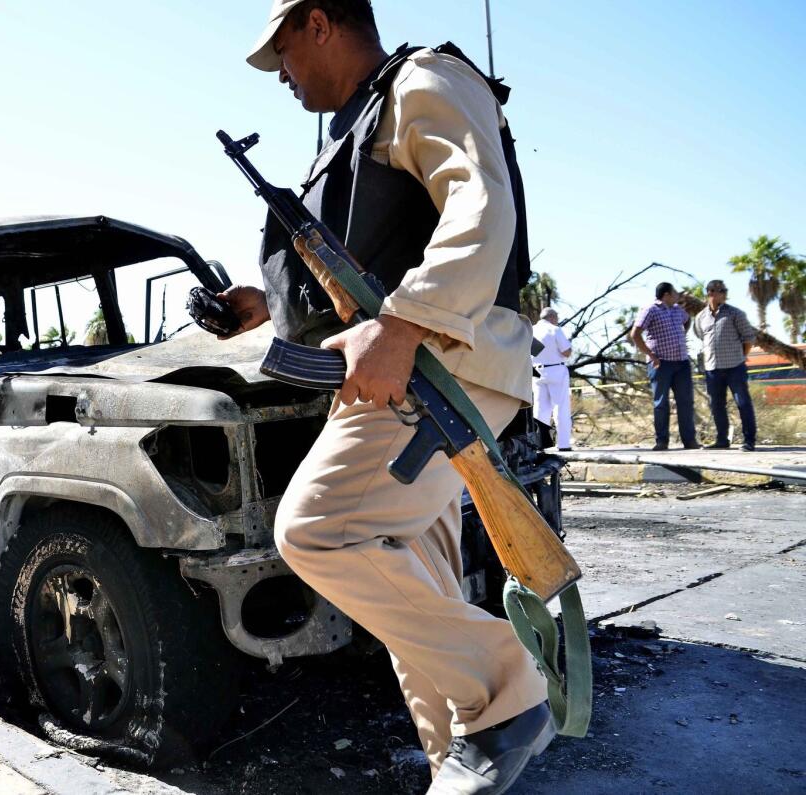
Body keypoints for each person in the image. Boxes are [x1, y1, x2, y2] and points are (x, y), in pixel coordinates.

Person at [221, 2, 552, 789]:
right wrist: (267, 304)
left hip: (441, 363)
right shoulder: (362, 122)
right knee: (413, 590)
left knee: (319, 530)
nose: (285, 80)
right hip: (402, 369)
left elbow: (480, 205)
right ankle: (460, 761)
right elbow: (375, 258)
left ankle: (507, 693)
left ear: (321, 23)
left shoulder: (422, 82)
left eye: (285, 55)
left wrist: (404, 324)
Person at [630, 283, 700, 451]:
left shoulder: (677, 310)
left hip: (682, 362)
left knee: (685, 402)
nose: (678, 295)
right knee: (661, 403)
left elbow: (687, 319)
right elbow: (635, 333)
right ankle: (662, 441)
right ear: (667, 294)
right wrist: (650, 354)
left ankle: (689, 441)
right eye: (675, 292)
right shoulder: (650, 309)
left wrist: (681, 334)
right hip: (660, 363)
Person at [692, 279, 758, 451]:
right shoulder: (700, 318)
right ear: (708, 293)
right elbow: (701, 336)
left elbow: (749, 338)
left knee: (742, 402)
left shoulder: (736, 314)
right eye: (713, 290)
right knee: (716, 405)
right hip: (712, 369)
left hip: (735, 367)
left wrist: (741, 356)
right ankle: (722, 440)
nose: (717, 293)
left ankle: (749, 441)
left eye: (720, 290)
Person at [531, 307, 573, 451]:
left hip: (536, 371)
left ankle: (539, 444)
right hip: (556, 369)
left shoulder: (530, 330)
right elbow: (566, 352)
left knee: (540, 409)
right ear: (553, 317)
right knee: (560, 407)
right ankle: (563, 444)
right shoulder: (555, 330)